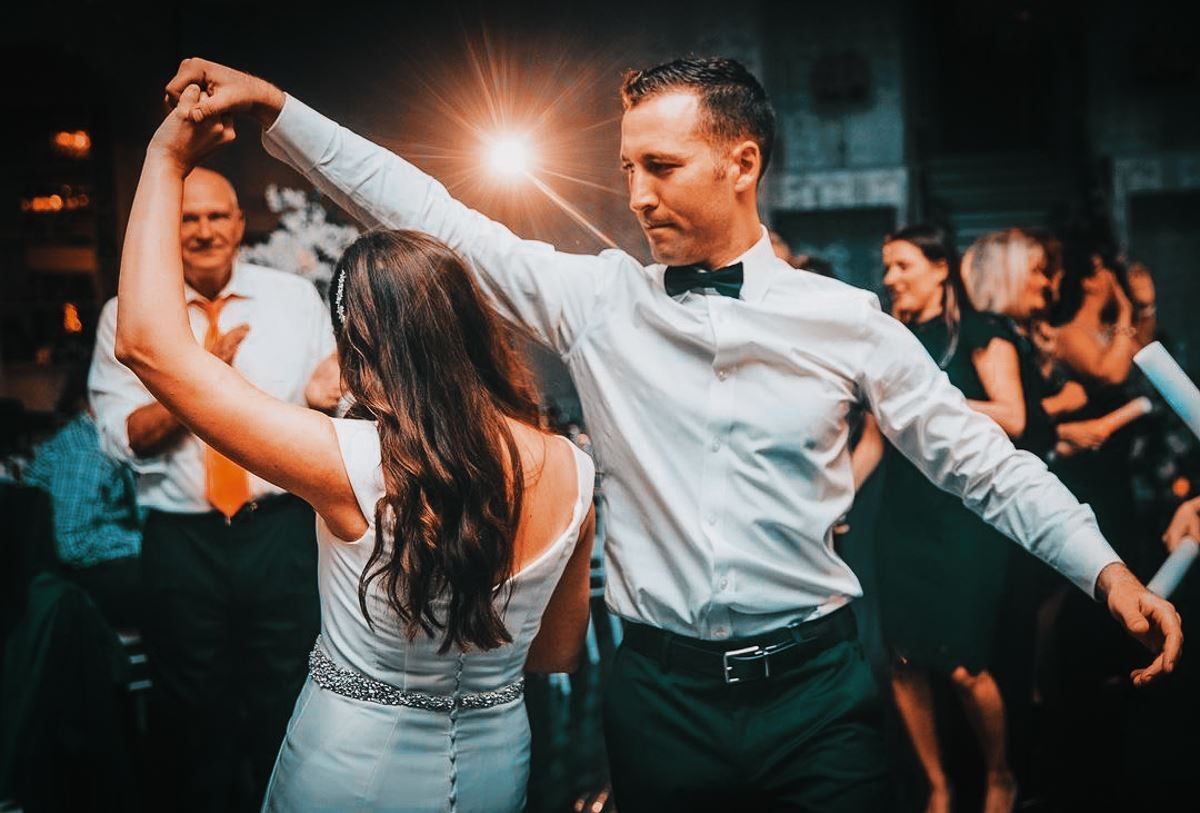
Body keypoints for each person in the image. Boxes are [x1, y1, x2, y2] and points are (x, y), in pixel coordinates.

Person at [166, 56, 1181, 811]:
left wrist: (1107, 569)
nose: (635, 192)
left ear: (742, 164)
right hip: (658, 700)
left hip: (819, 694)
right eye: (626, 167)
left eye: (660, 165)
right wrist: (281, 115)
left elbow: (982, 462)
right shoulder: (594, 300)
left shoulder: (848, 321)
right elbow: (433, 212)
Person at [114, 87, 596, 813]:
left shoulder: (350, 462)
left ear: (361, 346)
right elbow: (557, 653)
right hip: (499, 767)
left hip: (352, 771)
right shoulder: (572, 467)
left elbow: (148, 343)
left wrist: (164, 156)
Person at [88, 165, 340, 810]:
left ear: (238, 223)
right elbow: (124, 438)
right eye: (188, 217)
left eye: (216, 216)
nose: (203, 230)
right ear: (168, 228)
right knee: (190, 713)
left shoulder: (295, 300)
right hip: (181, 542)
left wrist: (332, 401)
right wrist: (196, 379)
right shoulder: (130, 313)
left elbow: (332, 413)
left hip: (282, 531)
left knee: (291, 691)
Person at [863, 225, 1035, 813]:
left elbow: (1013, 415)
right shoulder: (892, 343)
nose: (891, 279)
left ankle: (999, 773)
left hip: (964, 518)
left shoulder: (983, 333)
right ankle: (937, 785)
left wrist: (932, 402)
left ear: (941, 268)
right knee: (905, 660)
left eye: (902, 265)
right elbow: (871, 442)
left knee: (964, 665)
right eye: (887, 268)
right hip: (903, 516)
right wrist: (824, 504)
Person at [22, 359, 143, 629]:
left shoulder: (107, 441)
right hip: (70, 581)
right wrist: (148, 542)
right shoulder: (86, 452)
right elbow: (74, 543)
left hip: (87, 568)